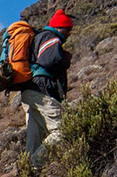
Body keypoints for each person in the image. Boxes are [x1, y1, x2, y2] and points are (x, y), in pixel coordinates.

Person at [17, 9, 74, 163]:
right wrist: (64, 60)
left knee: (34, 139)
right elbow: (49, 60)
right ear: (60, 27)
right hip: (42, 90)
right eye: (68, 29)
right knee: (63, 131)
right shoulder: (51, 37)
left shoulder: (39, 38)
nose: (69, 33)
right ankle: (33, 165)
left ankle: (27, 173)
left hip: (30, 92)